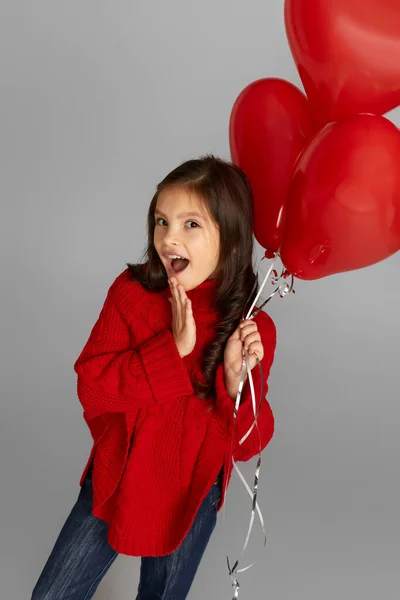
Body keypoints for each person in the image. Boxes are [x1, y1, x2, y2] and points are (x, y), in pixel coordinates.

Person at [31, 154, 277, 599]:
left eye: (191, 225)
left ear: (234, 242)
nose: (168, 238)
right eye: (162, 221)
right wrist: (172, 351)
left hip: (190, 496)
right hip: (118, 479)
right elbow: (92, 387)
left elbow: (247, 445)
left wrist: (236, 383)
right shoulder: (131, 295)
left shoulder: (248, 329)